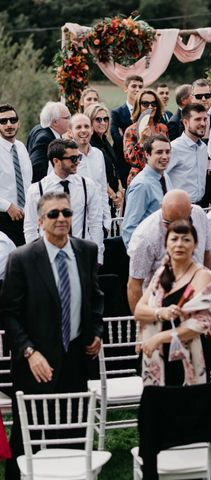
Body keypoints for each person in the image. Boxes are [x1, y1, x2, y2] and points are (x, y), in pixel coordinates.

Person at [1, 191, 103, 479]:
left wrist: (95, 332)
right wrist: (30, 353)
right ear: (41, 220)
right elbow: (9, 313)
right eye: (54, 214)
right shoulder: (22, 259)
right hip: (35, 363)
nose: (61, 219)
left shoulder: (86, 251)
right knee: (26, 436)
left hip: (75, 358)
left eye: (66, 213)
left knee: (73, 431)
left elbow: (95, 298)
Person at [135, 219, 211, 386]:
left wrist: (159, 338)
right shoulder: (160, 274)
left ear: (195, 245)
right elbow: (139, 310)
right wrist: (160, 312)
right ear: (166, 244)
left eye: (186, 239)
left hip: (188, 357)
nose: (180, 244)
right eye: (174, 239)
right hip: (157, 358)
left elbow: (200, 323)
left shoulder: (202, 276)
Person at [127, 189, 211, 314]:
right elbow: (134, 285)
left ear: (191, 210)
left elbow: (206, 254)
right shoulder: (145, 236)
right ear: (161, 208)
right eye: (168, 223)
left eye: (184, 223)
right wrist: (144, 323)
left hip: (197, 303)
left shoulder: (199, 214)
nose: (176, 229)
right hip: (160, 308)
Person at [23, 139, 104, 263]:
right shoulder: (36, 190)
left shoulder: (87, 185)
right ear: (56, 161)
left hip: (81, 255)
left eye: (78, 157)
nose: (77, 162)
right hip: (49, 257)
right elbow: (30, 227)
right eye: (72, 159)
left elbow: (95, 223)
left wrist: (97, 257)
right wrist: (36, 259)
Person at [121, 134, 173, 247]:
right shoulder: (141, 185)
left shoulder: (165, 177)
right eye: (159, 152)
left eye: (167, 152)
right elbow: (129, 229)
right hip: (148, 252)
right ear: (147, 154)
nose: (165, 156)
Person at [67, 113, 110, 231]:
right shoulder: (65, 157)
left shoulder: (98, 154)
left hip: (97, 220)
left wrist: (107, 220)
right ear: (70, 132)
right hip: (75, 221)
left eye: (86, 126)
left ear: (91, 130)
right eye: (78, 127)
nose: (83, 130)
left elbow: (102, 189)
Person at [0, 103, 32, 246]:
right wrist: (7, 206)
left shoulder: (21, 147)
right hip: (3, 218)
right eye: (3, 121)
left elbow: (27, 182)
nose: (9, 125)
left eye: (13, 120)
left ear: (18, 123)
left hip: (26, 219)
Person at [165, 103, 209, 205]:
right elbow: (159, 177)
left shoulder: (203, 148)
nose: (203, 123)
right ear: (186, 122)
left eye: (205, 119)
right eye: (197, 119)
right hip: (178, 206)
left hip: (200, 205)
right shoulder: (174, 148)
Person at [123, 88, 168, 185]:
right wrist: (142, 141)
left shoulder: (163, 128)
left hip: (159, 177)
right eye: (145, 104)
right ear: (139, 106)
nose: (150, 107)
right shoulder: (131, 130)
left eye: (154, 103)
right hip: (139, 179)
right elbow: (131, 160)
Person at [86, 103, 123, 215]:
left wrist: (120, 191)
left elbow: (115, 167)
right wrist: (112, 195)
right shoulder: (90, 145)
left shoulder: (106, 142)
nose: (103, 123)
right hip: (101, 198)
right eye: (98, 119)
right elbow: (95, 175)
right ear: (90, 121)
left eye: (106, 119)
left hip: (114, 196)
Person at [110, 75, 144, 184]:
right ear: (126, 89)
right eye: (134, 86)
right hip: (123, 165)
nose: (137, 89)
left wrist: (126, 136)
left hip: (144, 166)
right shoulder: (116, 113)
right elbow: (117, 138)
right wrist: (141, 140)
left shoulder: (147, 113)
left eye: (140, 86)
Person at [27, 101, 71, 182]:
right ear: (55, 122)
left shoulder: (39, 128)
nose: (70, 120)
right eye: (67, 118)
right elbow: (37, 167)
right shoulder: (45, 139)